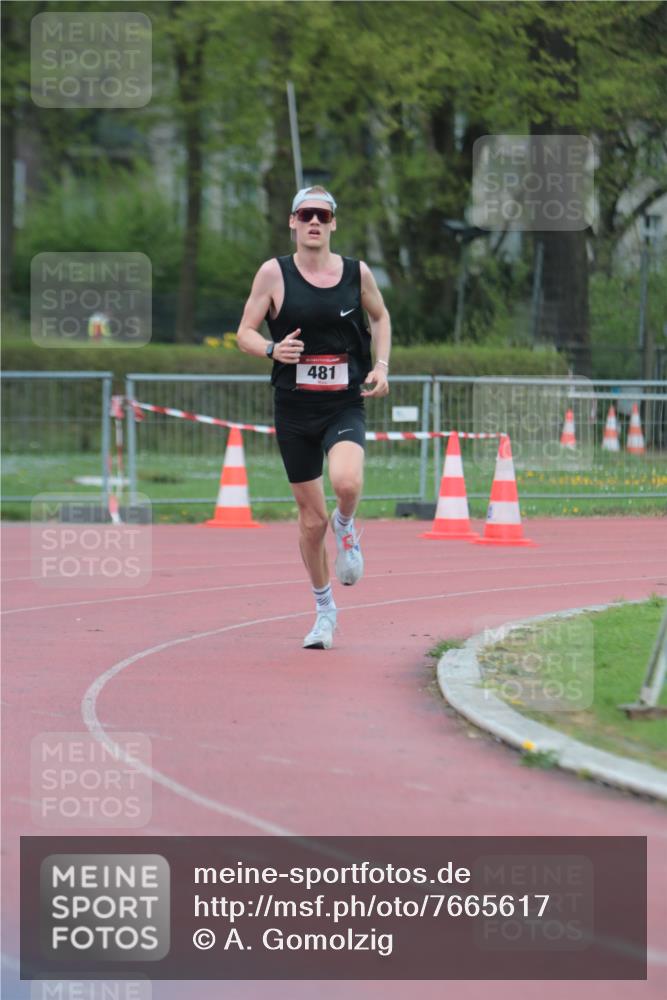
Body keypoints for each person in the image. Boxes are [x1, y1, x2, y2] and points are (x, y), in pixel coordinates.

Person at [236, 185, 391, 650]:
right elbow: (244, 332)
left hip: (343, 401)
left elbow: (380, 317)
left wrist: (382, 366)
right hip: (294, 407)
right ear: (293, 221)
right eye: (306, 215)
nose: (315, 222)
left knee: (347, 483)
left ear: (334, 223)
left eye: (323, 215)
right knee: (310, 521)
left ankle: (347, 525)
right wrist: (271, 348)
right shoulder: (273, 273)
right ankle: (325, 611)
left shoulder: (356, 273)